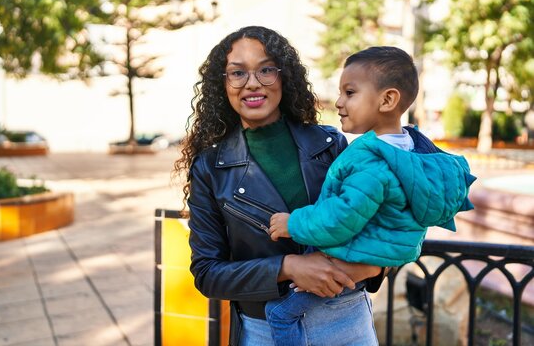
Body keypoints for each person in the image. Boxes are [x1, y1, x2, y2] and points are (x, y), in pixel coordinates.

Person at [174, 25, 391, 345]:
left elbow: (385, 233)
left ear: (283, 76)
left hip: (347, 321)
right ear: (223, 84)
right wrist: (287, 267)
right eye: (237, 73)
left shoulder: (331, 145)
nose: (252, 83)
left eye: (265, 70)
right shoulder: (210, 168)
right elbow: (207, 273)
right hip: (267, 330)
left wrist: (369, 269)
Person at [266, 46, 477, 346]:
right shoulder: (412, 150)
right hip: (375, 260)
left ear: (388, 99)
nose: (339, 102)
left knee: (278, 313)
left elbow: (342, 217)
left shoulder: (373, 164)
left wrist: (293, 223)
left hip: (348, 260)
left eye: (350, 92)